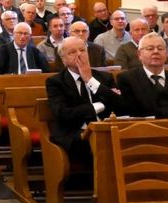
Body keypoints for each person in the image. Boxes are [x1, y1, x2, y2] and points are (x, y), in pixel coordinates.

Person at [46, 36, 124, 164]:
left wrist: (89, 80)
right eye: (72, 52)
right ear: (63, 59)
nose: (79, 55)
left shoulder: (104, 78)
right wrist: (99, 105)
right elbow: (63, 113)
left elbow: (120, 104)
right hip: (74, 132)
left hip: (106, 129)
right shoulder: (56, 82)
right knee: (99, 141)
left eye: (82, 50)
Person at [117, 33, 168, 118]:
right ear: (139, 54)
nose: (156, 52)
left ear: (167, 53)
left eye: (160, 48)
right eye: (150, 49)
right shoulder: (127, 79)